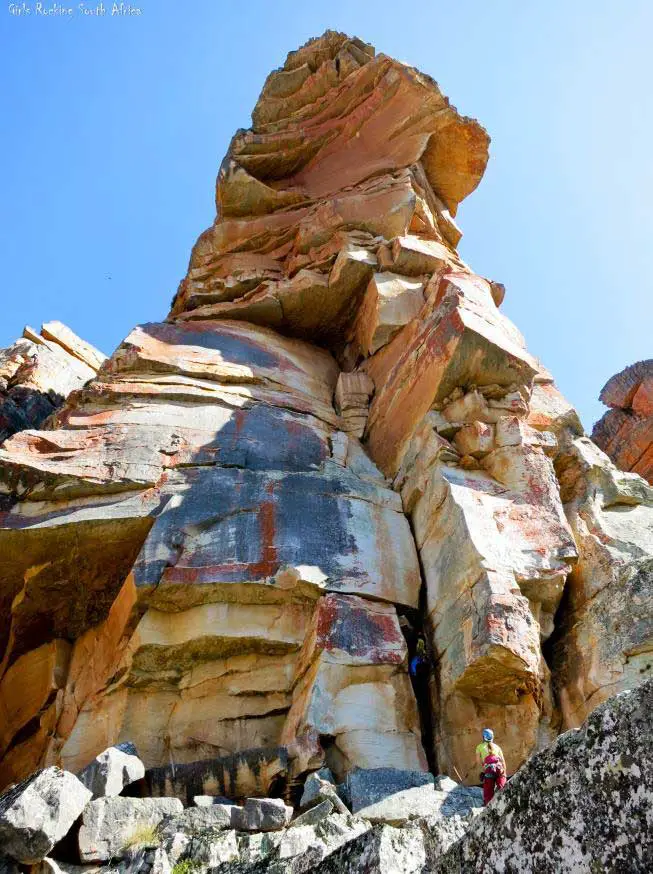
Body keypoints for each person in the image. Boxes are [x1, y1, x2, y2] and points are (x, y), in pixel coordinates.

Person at [476, 728, 507, 805]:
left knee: (488, 791)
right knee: (503, 789)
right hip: (500, 769)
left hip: (489, 770)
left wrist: (483, 771)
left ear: (483, 737)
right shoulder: (497, 747)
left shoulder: (479, 747)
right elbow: (503, 761)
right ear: (492, 737)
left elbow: (478, 761)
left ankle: (488, 805)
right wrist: (504, 773)